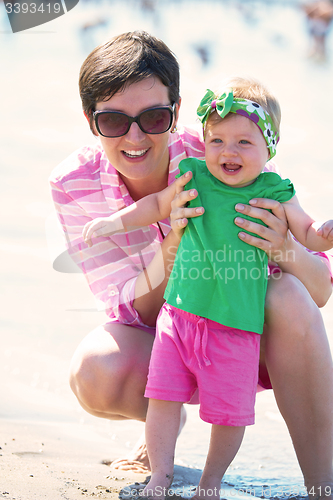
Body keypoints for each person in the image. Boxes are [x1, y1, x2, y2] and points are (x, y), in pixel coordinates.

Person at [49, 31, 333, 498]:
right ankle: (163, 423)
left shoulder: (220, 147)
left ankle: (321, 483)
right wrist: (174, 244)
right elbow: (129, 312)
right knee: (95, 370)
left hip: (241, 328)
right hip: (169, 335)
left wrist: (286, 246)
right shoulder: (71, 183)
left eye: (154, 117)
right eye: (114, 121)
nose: (136, 137)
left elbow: (319, 290)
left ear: (177, 112)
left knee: (290, 297)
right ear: (90, 120)